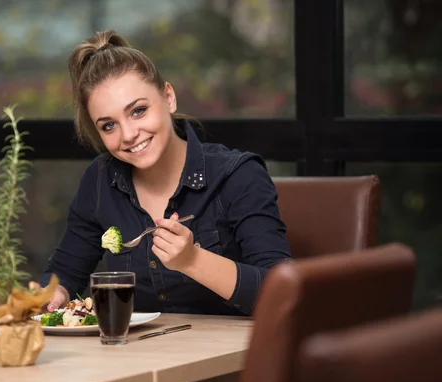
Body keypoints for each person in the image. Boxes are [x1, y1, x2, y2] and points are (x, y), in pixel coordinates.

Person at [39, 29, 291, 316]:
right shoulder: (100, 179)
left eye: (138, 111)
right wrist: (51, 295)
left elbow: (282, 292)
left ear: (168, 97)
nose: (129, 134)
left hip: (232, 355)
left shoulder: (237, 174)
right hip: (137, 355)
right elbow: (65, 272)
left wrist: (192, 259)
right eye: (109, 125)